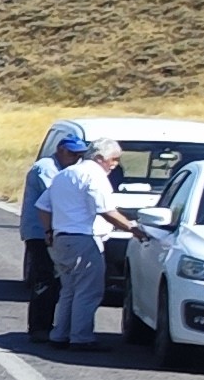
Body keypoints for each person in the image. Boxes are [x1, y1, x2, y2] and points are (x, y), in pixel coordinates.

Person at [42, 129, 138, 349]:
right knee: (88, 291)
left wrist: (49, 232)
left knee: (69, 290)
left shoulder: (65, 174)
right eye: (113, 159)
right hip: (83, 239)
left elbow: (42, 206)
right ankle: (81, 337)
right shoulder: (95, 176)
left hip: (61, 238)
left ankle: (60, 334)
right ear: (99, 158)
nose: (115, 164)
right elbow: (106, 211)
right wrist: (134, 229)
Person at [19, 121, 85, 339]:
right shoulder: (46, 168)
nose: (75, 158)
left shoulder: (65, 170)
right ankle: (39, 328)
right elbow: (57, 198)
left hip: (54, 230)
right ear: (60, 150)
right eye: (72, 153)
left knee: (56, 280)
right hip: (41, 232)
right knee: (44, 278)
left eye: (79, 154)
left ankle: (49, 325)